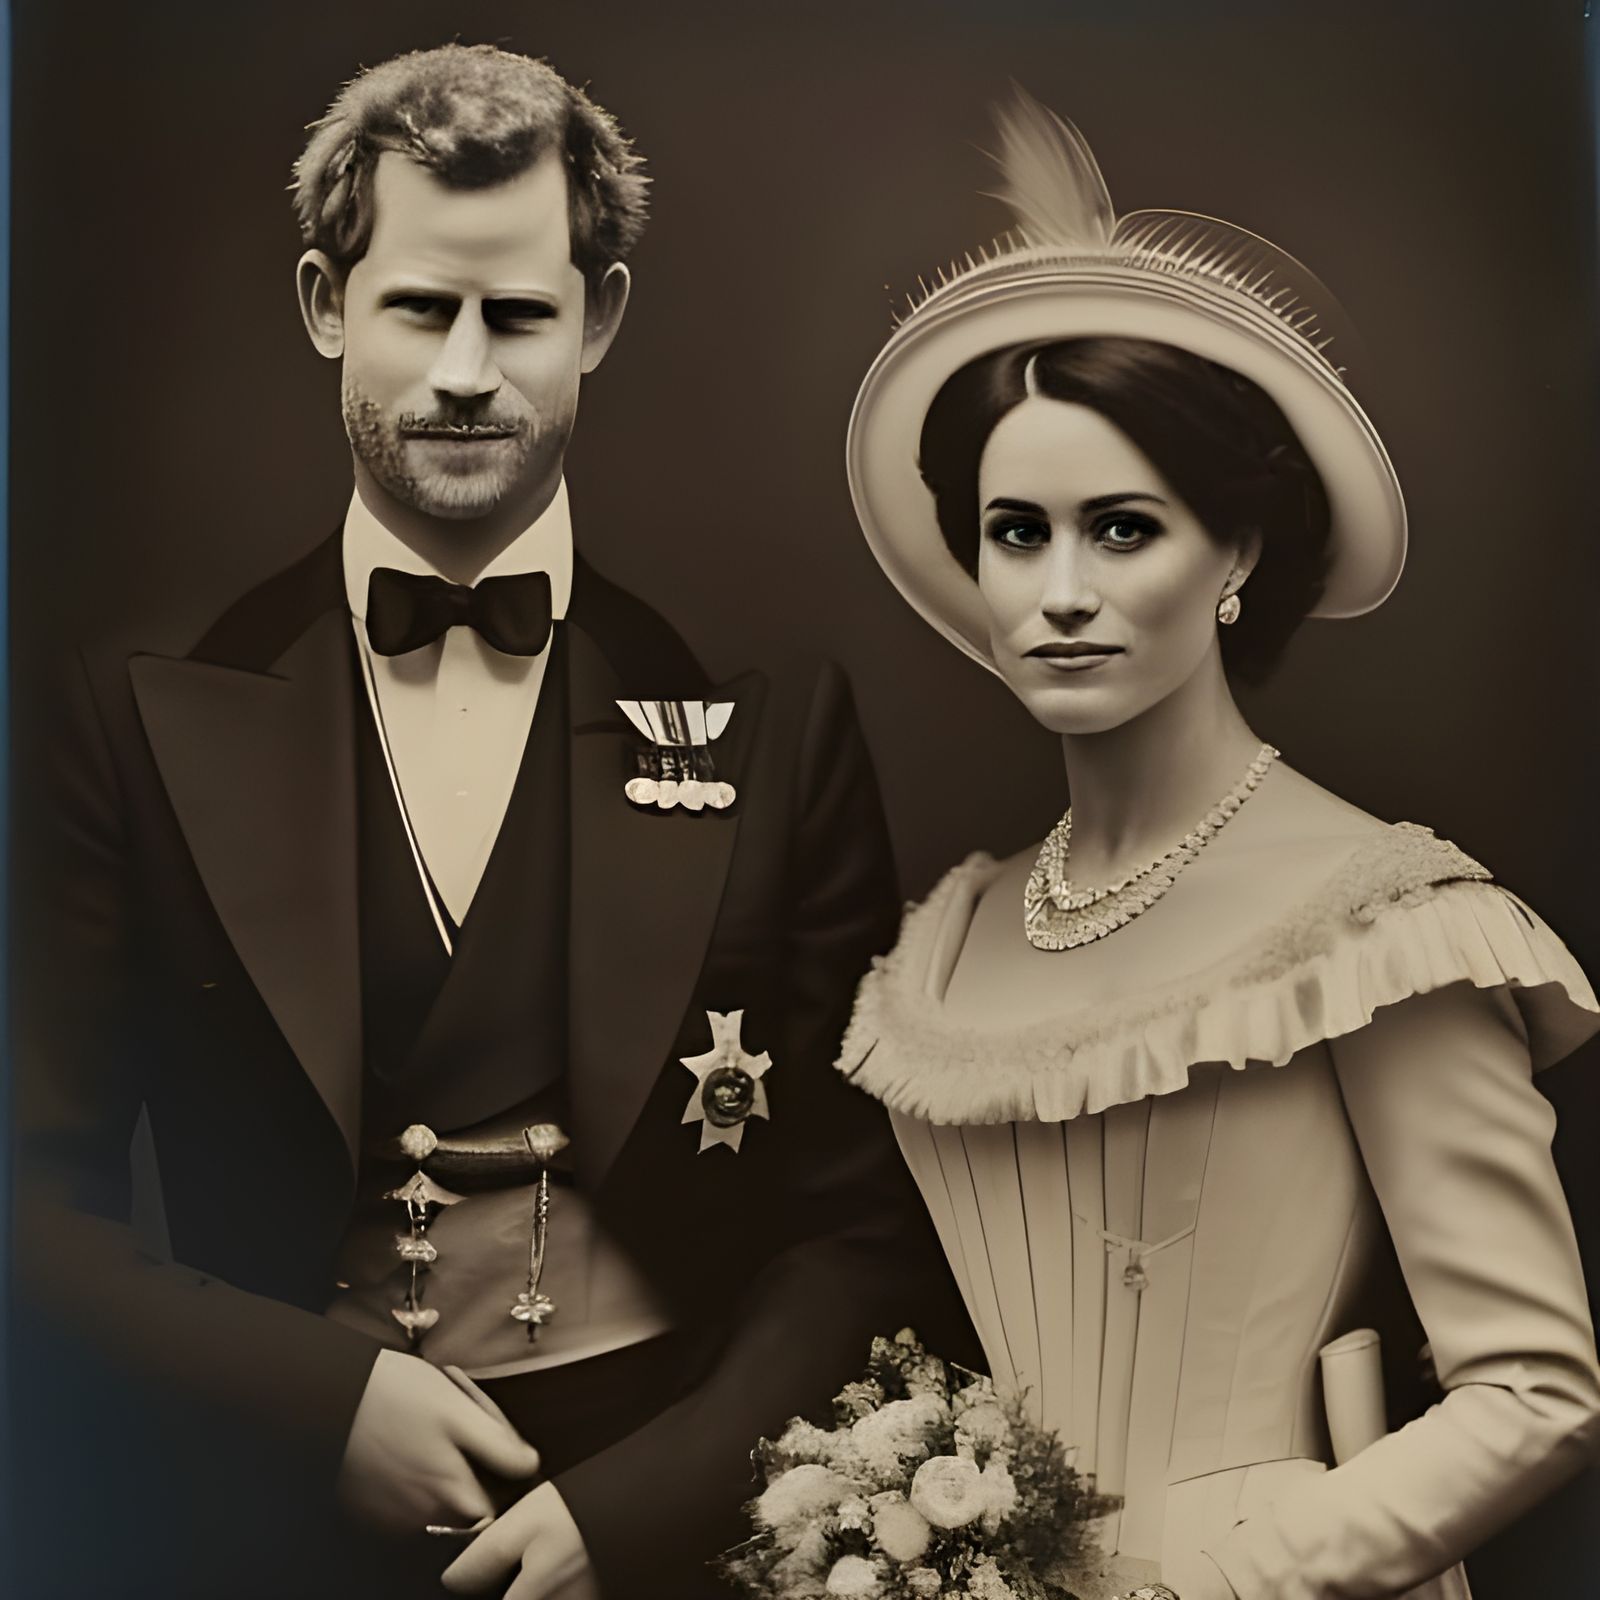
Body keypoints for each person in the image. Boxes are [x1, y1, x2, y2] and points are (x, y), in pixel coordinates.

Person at [11, 42, 968, 1600]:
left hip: (654, 1515)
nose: (468, 372)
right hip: (263, 1515)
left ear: (598, 319)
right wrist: (315, 1405)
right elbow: (27, 1209)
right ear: (329, 304)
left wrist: (643, 1507)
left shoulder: (771, 709)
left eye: (518, 315)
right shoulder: (133, 703)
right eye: (418, 309)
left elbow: (860, 1228)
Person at [834, 92, 1600, 1599]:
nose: (1060, 590)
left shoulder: (1380, 918)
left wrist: (1222, 1572)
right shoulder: (959, 929)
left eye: (1124, 528)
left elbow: (1536, 1393)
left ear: (1237, 552)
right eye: (1017, 532)